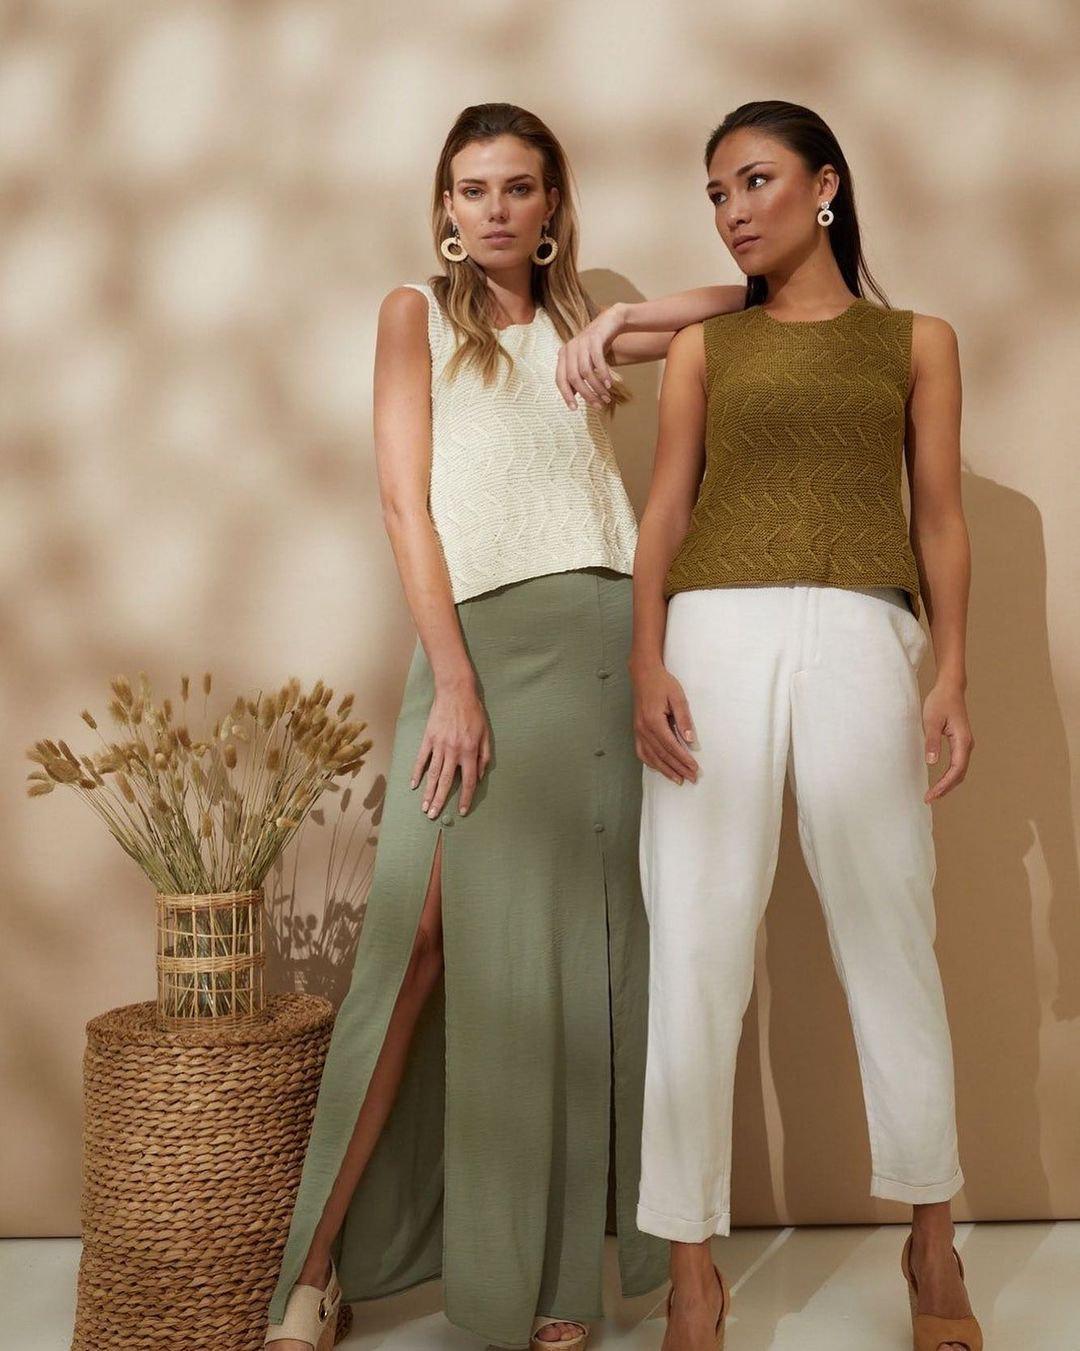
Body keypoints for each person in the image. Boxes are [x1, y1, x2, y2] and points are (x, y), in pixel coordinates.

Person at [263, 102, 746, 1351]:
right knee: (417, 941)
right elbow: (402, 504)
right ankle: (315, 1272)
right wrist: (455, 682)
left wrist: (624, 322)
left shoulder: (586, 323)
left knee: (575, 961)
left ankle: (556, 1286)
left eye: (518, 188)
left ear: (550, 206)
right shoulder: (412, 316)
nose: (493, 209)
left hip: (603, 646)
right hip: (477, 647)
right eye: (472, 189)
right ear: (444, 206)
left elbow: (751, 299)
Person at [572, 99, 981, 1351]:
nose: (733, 210)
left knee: (891, 929)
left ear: (826, 186)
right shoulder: (710, 349)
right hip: (712, 636)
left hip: (864, 631)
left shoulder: (917, 341)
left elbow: (940, 515)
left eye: (755, 181)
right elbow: (665, 507)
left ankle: (932, 1243)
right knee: (696, 943)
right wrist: (646, 657)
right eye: (716, 193)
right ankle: (693, 1272)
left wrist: (953, 673)